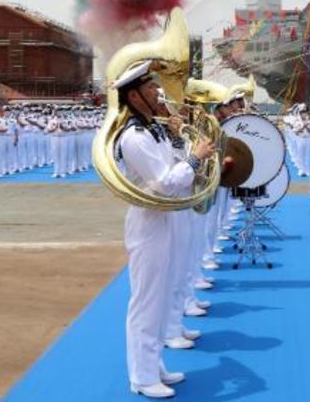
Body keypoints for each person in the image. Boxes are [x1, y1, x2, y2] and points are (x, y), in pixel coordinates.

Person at [114, 60, 215, 398]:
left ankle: (153, 365)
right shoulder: (134, 137)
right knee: (146, 300)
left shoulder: (153, 130)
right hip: (150, 223)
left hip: (166, 219)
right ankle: (141, 377)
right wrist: (195, 158)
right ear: (134, 96)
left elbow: (174, 171)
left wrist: (177, 141)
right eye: (149, 87)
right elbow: (166, 184)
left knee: (163, 293)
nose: (158, 91)